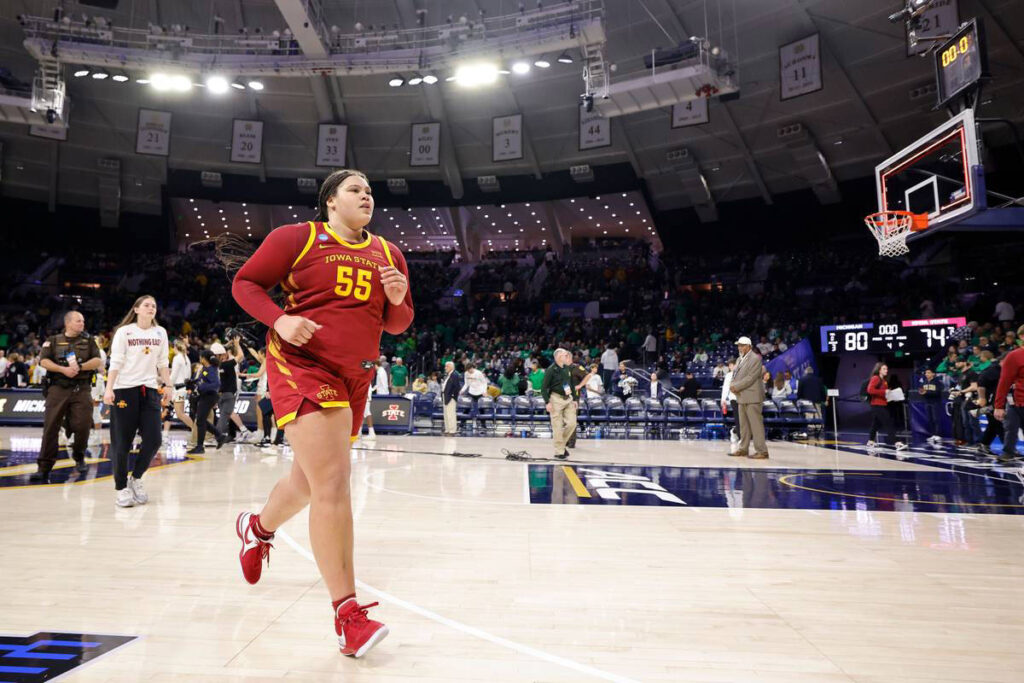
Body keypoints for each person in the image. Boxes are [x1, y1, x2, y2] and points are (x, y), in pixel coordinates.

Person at [231, 168, 413, 657]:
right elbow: (245, 283)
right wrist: (281, 319)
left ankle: (257, 527)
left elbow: (398, 323)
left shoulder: (389, 253)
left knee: (310, 482)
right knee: (333, 482)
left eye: (370, 191)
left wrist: (397, 299)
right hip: (302, 364)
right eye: (355, 189)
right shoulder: (298, 238)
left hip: (357, 376)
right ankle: (346, 616)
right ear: (330, 201)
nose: (366, 196)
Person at [103, 295, 174, 506]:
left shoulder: (160, 332)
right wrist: (109, 388)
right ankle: (121, 488)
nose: (151, 308)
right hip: (124, 389)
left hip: (150, 389)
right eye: (146, 305)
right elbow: (115, 362)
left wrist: (168, 385)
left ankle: (136, 478)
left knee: (154, 440)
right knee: (122, 442)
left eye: (154, 305)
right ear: (136, 309)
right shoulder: (125, 332)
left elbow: (162, 362)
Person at [28, 311, 103, 483]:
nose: (82, 323)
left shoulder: (89, 341)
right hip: (58, 388)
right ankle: (44, 468)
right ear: (68, 323)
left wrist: (80, 367)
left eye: (83, 321)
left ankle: (79, 456)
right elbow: (44, 361)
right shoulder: (53, 341)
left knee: (83, 425)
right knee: (50, 428)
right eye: (78, 321)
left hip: (81, 389)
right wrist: (63, 369)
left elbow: (97, 361)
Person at [727, 337, 769, 459]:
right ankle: (743, 449)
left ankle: (762, 451)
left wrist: (736, 386)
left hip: (753, 396)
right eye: (738, 345)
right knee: (743, 426)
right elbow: (737, 375)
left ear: (749, 346)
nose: (739, 347)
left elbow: (751, 377)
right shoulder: (740, 359)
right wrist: (732, 385)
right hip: (742, 396)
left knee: (756, 425)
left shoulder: (755, 359)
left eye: (742, 345)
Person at [213, 338, 255, 443]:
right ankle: (243, 431)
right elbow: (241, 356)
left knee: (228, 412)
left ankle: (241, 431)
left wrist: (228, 344)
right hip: (231, 389)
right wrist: (237, 344)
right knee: (228, 413)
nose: (224, 354)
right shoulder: (228, 363)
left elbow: (221, 351)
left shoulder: (217, 364)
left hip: (225, 390)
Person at [542, 348, 577, 460]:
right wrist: (547, 402)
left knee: (572, 423)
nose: (567, 356)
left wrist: (575, 399)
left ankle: (561, 445)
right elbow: (543, 388)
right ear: (558, 357)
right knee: (557, 426)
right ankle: (559, 451)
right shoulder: (551, 370)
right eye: (564, 355)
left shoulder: (567, 368)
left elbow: (569, 384)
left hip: (568, 398)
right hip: (555, 399)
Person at [187, 350, 225, 454]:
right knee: (201, 420)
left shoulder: (212, 369)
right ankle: (219, 436)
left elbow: (216, 384)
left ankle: (200, 446)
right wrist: (192, 382)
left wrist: (201, 387)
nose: (199, 358)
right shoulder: (205, 369)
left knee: (200, 420)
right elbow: (201, 379)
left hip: (210, 396)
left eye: (200, 357)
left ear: (204, 358)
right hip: (205, 396)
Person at [994, 335, 1024, 461]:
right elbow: (1004, 381)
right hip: (1018, 402)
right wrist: (998, 406)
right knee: (1011, 427)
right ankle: (1008, 452)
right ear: (1022, 336)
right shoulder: (1014, 356)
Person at [866, 363, 907, 451]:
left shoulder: (884, 380)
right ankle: (897, 443)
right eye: (884, 369)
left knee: (876, 424)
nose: (886, 371)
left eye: (887, 369)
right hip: (877, 405)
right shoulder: (876, 378)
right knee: (888, 423)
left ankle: (870, 441)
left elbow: (883, 392)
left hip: (882, 404)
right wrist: (884, 391)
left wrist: (890, 395)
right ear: (879, 370)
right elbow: (870, 390)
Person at [167, 338, 196, 441]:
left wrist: (167, 384)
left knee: (180, 414)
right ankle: (195, 430)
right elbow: (188, 375)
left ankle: (196, 430)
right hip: (183, 388)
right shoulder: (186, 358)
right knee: (181, 413)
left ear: (175, 347)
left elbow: (173, 376)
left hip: (178, 389)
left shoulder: (177, 358)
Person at [976, 354, 1004, 457]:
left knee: (993, 424)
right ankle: (1009, 450)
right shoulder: (993, 370)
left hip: (998, 401)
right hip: (990, 402)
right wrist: (982, 398)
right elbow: (980, 383)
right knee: (998, 424)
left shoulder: (1004, 370)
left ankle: (984, 445)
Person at [917, 368, 943, 445]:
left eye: (928, 373)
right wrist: (921, 392)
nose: (926, 374)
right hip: (927, 402)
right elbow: (921, 391)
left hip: (935, 402)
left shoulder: (937, 382)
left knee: (936, 419)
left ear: (933, 374)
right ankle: (933, 434)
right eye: (926, 373)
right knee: (930, 419)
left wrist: (927, 392)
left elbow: (938, 392)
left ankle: (938, 435)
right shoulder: (924, 382)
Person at [721, 359, 738, 449]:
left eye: (732, 365)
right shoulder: (728, 375)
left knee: (744, 419)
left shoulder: (742, 374)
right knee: (738, 418)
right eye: (730, 365)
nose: (731, 367)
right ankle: (739, 435)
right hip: (733, 399)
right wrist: (723, 399)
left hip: (744, 398)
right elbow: (725, 388)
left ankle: (735, 431)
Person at [441, 361, 461, 436]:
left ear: (451, 367)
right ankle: (447, 429)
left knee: (451, 414)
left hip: (450, 397)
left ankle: (452, 430)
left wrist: (453, 396)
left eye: (447, 366)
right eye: (445, 366)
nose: (445, 368)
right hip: (445, 395)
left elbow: (457, 387)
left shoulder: (454, 375)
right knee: (446, 414)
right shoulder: (449, 375)